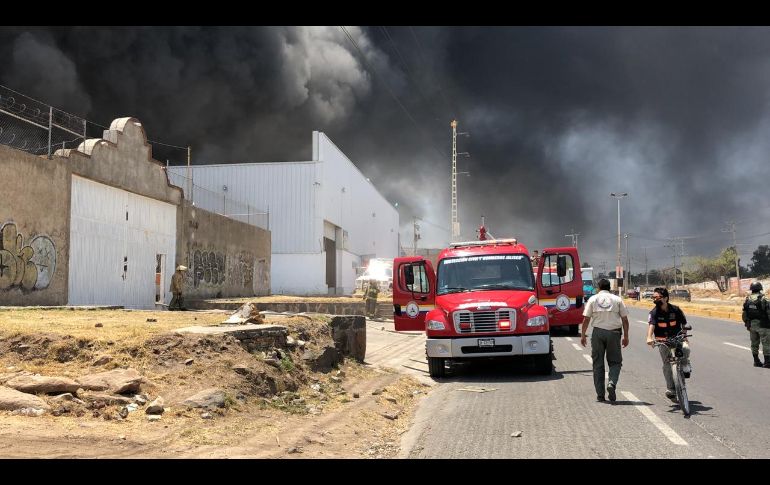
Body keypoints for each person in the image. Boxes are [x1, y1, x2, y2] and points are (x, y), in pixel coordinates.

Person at [581, 278, 630, 402]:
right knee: (615, 362)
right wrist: (626, 336)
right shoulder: (617, 299)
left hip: (597, 333)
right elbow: (625, 319)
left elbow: (586, 319)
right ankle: (612, 383)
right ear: (609, 287)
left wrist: (582, 335)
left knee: (598, 364)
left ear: (598, 288)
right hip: (614, 333)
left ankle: (600, 395)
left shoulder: (593, 299)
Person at [646, 287, 691, 401]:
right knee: (667, 365)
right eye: (654, 297)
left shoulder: (675, 310)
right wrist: (649, 337)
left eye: (658, 297)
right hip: (662, 341)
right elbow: (652, 325)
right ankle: (671, 389)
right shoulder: (654, 312)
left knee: (685, 349)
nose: (655, 299)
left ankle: (685, 365)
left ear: (666, 298)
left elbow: (684, 324)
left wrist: (684, 336)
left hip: (677, 338)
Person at [742, 281, 770, 368]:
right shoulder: (764, 299)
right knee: (766, 343)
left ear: (752, 290)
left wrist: (747, 324)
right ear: (760, 289)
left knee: (754, 343)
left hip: (752, 326)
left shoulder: (747, 299)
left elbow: (744, 314)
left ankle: (756, 361)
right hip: (763, 325)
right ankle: (767, 362)